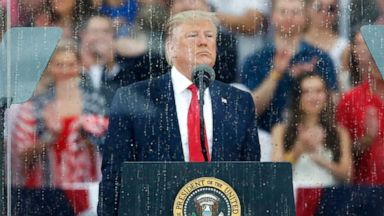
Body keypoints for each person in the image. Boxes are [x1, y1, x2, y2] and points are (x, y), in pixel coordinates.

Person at [98, 10, 260, 215]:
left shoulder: (239, 102)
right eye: (193, 35)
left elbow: (252, 175)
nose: (203, 42)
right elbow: (115, 174)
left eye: (209, 36)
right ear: (171, 48)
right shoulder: (133, 98)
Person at [11, 40, 109, 215]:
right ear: (49, 67)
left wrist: (88, 133)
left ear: (79, 66)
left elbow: (111, 148)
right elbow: (22, 157)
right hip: (46, 192)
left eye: (70, 64)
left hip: (89, 189)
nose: (65, 70)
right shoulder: (35, 106)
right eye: (59, 64)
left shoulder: (96, 102)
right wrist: (50, 136)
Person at [241, 0, 337, 132]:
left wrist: (308, 79)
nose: (289, 17)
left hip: (312, 137)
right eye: (283, 12)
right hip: (265, 139)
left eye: (295, 12)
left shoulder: (321, 58)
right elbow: (249, 111)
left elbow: (333, 106)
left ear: (305, 17)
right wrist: (276, 73)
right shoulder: (255, 60)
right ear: (273, 16)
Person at [272, 72, 352, 216]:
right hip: (294, 200)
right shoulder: (281, 130)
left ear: (327, 95)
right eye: (306, 92)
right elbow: (275, 173)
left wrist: (320, 159)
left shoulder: (340, 132)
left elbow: (347, 175)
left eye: (318, 91)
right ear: (297, 97)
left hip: (328, 200)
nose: (313, 97)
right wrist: (299, 149)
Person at [337, 31, 384, 185]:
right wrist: (367, 140)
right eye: (373, 58)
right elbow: (342, 154)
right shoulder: (350, 100)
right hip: (367, 190)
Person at [304, 0, 351, 92]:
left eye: (331, 8)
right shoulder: (296, 43)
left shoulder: (344, 47)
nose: (324, 12)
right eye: (318, 7)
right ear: (307, 9)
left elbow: (343, 86)